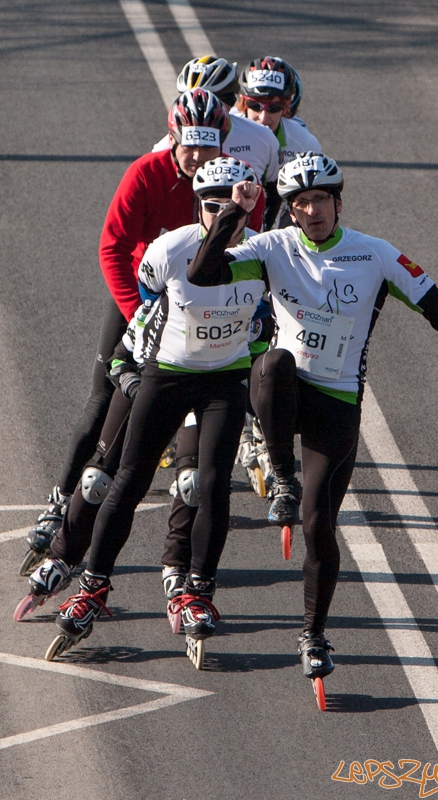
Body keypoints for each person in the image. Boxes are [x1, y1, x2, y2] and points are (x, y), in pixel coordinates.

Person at [186, 151, 438, 683]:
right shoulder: (274, 246)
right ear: (289, 210)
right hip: (280, 393)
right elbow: (202, 275)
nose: (311, 211)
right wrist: (233, 214)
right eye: (300, 202)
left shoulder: (375, 255)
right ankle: (280, 475)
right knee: (272, 361)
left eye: (320, 199)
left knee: (320, 525)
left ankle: (313, 635)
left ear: (338, 202)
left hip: (336, 403)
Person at [22, 89, 258, 572]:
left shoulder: (231, 183)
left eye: (207, 146)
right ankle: (61, 502)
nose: (197, 157)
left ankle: (181, 557)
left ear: (224, 142)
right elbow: (113, 247)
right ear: (172, 136)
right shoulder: (145, 173)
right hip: (142, 297)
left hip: (199, 314)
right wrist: (140, 314)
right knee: (103, 400)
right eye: (188, 145)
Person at [39, 159, 266, 650]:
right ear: (196, 207)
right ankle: (92, 585)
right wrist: (129, 374)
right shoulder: (169, 250)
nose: (222, 215)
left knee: (207, 485)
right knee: (127, 479)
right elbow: (146, 316)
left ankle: (198, 590)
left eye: (233, 206)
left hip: (223, 380)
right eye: (212, 206)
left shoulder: (262, 252)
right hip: (170, 373)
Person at [152, 55, 282, 229]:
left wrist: (263, 234)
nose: (202, 106)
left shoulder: (262, 138)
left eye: (213, 99)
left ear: (231, 100)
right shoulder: (161, 150)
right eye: (191, 99)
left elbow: (275, 191)